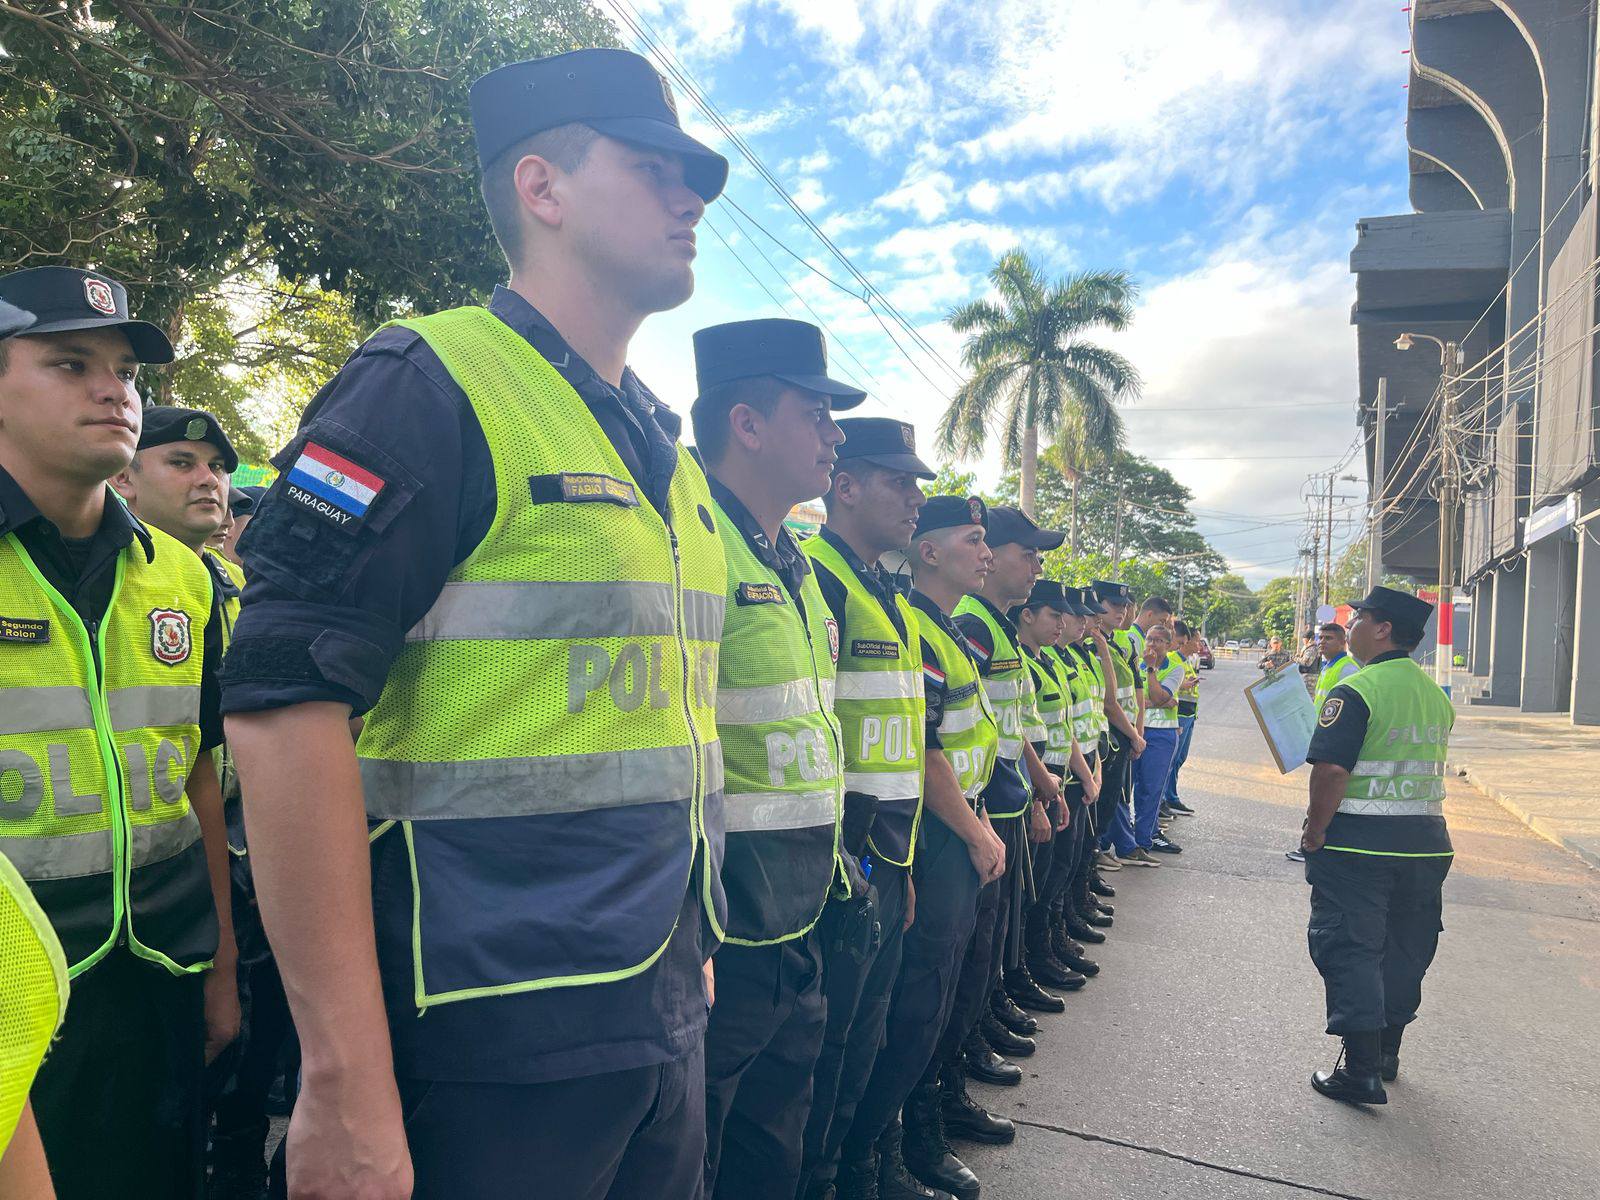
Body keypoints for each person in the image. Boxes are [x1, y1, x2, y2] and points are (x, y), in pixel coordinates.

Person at [222, 48, 732, 1199]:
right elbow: (278, 710)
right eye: (654, 167)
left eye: (692, 174)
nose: (690, 196)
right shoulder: (426, 381)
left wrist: (686, 948)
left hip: (652, 1009)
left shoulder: (664, 449)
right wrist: (343, 1081)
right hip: (482, 1033)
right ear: (541, 188)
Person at [0, 265, 238, 1199]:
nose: (114, 390)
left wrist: (222, 965)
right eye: (70, 363)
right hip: (22, 1002)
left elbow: (200, 777)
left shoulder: (181, 579)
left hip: (161, 977)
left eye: (125, 372)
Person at [688, 317, 860, 1197]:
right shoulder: (693, 543)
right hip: (724, 936)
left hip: (797, 919)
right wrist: (694, 927)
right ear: (747, 423)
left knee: (771, 1152)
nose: (835, 434)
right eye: (817, 412)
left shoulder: (791, 560)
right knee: (701, 1158)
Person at [833, 495, 1006, 1200]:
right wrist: (971, 829)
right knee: (907, 1011)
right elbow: (926, 749)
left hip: (938, 831)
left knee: (929, 1004)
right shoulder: (904, 617)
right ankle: (879, 1156)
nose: (987, 554)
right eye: (974, 540)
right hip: (925, 834)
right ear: (930, 551)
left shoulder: (926, 624)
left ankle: (890, 1147)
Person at [799, 416, 934, 1200]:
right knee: (827, 1049)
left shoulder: (878, 585)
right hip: (837, 863)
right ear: (843, 487)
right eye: (898, 481)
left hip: (884, 855)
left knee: (862, 1039)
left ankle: (853, 1173)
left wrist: (901, 866)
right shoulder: (819, 577)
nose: (914, 499)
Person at [1301, 587, 1453, 1106]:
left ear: (1383, 628)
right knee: (1406, 947)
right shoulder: (1433, 694)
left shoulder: (1359, 690)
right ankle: (1387, 1052)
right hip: (1426, 845)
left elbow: (1332, 771)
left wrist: (1314, 830)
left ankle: (1360, 1070)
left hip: (1360, 846)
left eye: (1360, 618)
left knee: (1352, 948)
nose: (1353, 626)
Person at [1015, 582, 1102, 1002]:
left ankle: (1046, 947)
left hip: (1057, 783)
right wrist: (1038, 794)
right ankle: (1028, 965)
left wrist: (1086, 773)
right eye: (1057, 614)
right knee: (1031, 890)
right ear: (1028, 614)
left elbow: (1065, 727)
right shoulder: (1024, 662)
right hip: (1034, 786)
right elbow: (1015, 735)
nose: (1068, 623)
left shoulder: (1050, 660)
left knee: (1057, 871)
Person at [1286, 623, 1362, 863]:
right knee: (1318, 794)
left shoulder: (1347, 668)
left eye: (1329, 638)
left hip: (1335, 741)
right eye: (1320, 638)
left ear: (1343, 642)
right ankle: (1313, 841)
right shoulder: (1329, 666)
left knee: (1322, 794)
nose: (1322, 642)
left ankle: (1313, 843)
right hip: (1321, 736)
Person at [1091, 582, 1147, 869]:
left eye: (1124, 606)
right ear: (1096, 604)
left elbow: (1135, 692)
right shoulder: (1093, 643)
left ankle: (1092, 866)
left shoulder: (1114, 643)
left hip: (1123, 734)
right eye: (1114, 605)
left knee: (1112, 801)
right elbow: (1108, 702)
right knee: (1099, 809)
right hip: (1110, 736)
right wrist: (1134, 735)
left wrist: (1136, 733)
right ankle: (1092, 862)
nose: (1121, 611)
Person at [1117, 624, 1184, 859]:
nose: (1152, 645)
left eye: (1158, 641)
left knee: (1151, 789)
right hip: (1136, 731)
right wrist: (1162, 700)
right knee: (1124, 788)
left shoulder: (1175, 669)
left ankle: (1143, 840)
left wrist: (1152, 672)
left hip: (1162, 735)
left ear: (1168, 645)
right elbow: (1134, 700)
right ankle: (1122, 841)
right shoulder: (1133, 664)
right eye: (1149, 639)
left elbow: (1154, 696)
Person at [1162, 620, 1201, 818]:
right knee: (1170, 760)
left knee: (1178, 759)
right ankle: (1163, 801)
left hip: (1188, 714)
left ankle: (1170, 796)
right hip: (1178, 715)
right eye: (1197, 641)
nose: (1199, 645)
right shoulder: (1171, 659)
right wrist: (1183, 685)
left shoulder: (1185, 661)